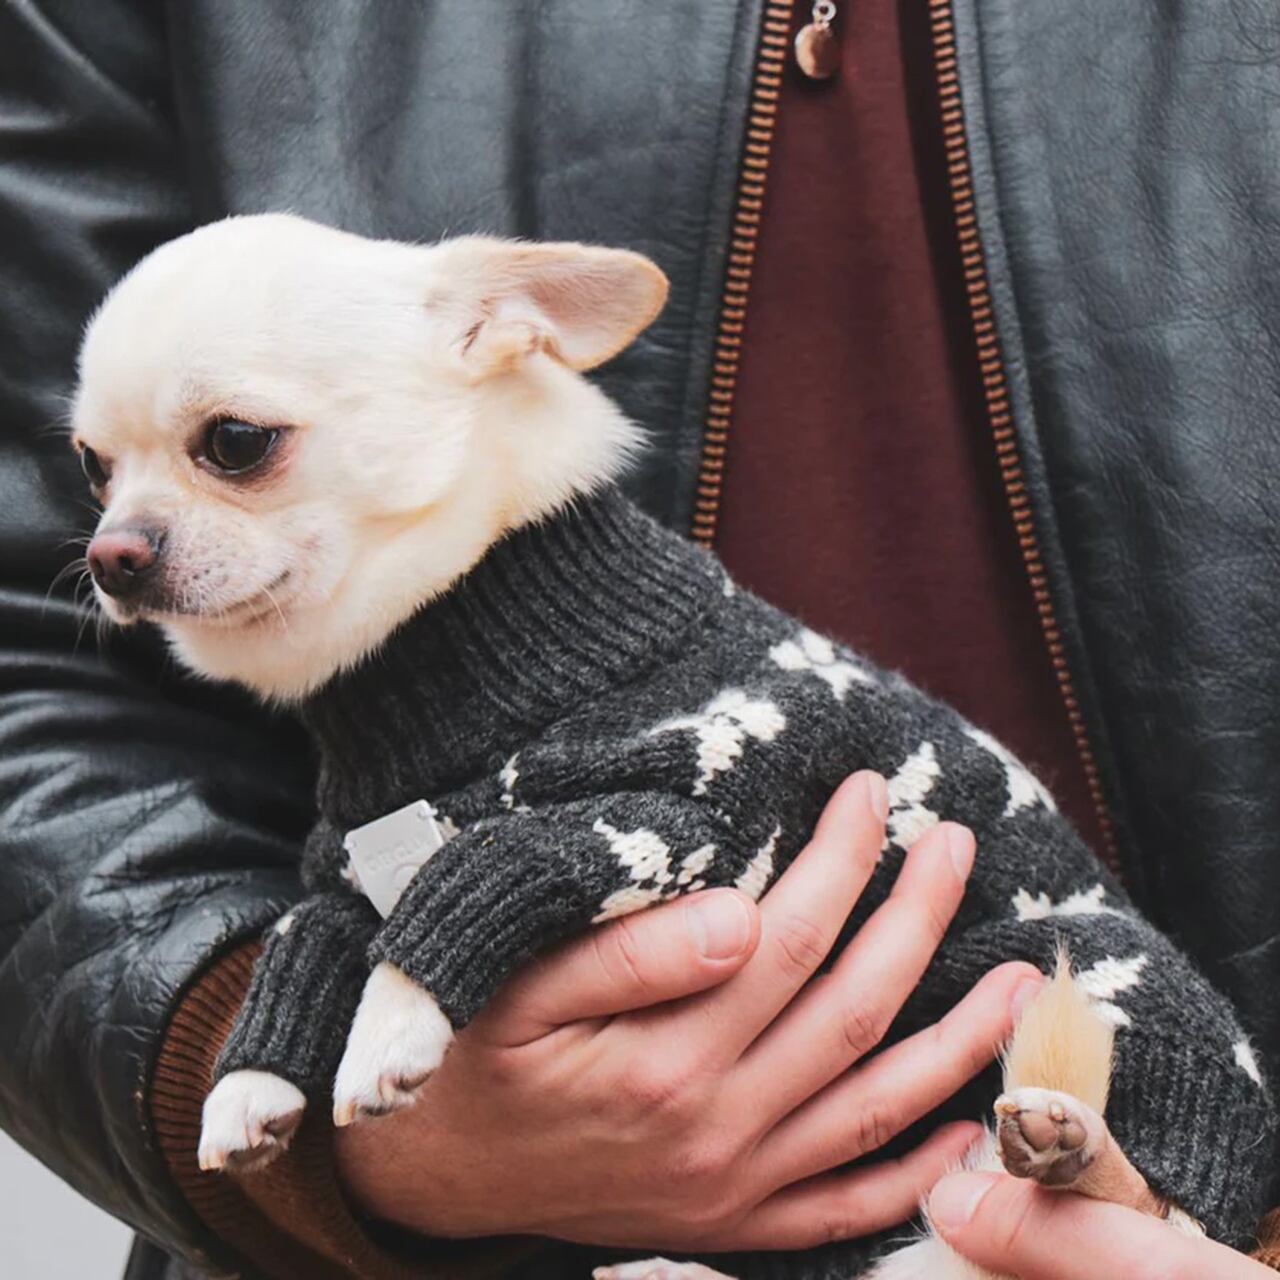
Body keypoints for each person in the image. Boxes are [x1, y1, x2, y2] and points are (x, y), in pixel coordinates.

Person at [1, 2, 1277, 1278]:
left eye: (236, 444)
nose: (117, 536)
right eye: (99, 471)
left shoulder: (657, 694)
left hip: (1095, 1130)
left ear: (495, 330)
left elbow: (638, 812)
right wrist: (344, 1136)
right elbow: (31, 666)